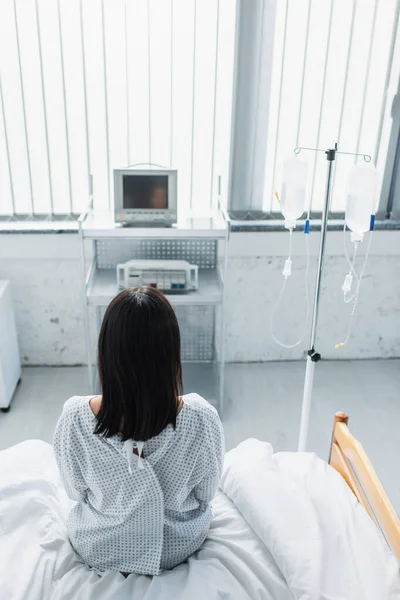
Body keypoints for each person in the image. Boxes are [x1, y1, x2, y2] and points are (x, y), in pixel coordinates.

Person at [53, 287, 224, 576]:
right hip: (174, 548)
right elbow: (207, 494)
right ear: (171, 354)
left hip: (100, 546)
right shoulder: (201, 418)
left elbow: (74, 492)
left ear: (106, 353)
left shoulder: (74, 419)